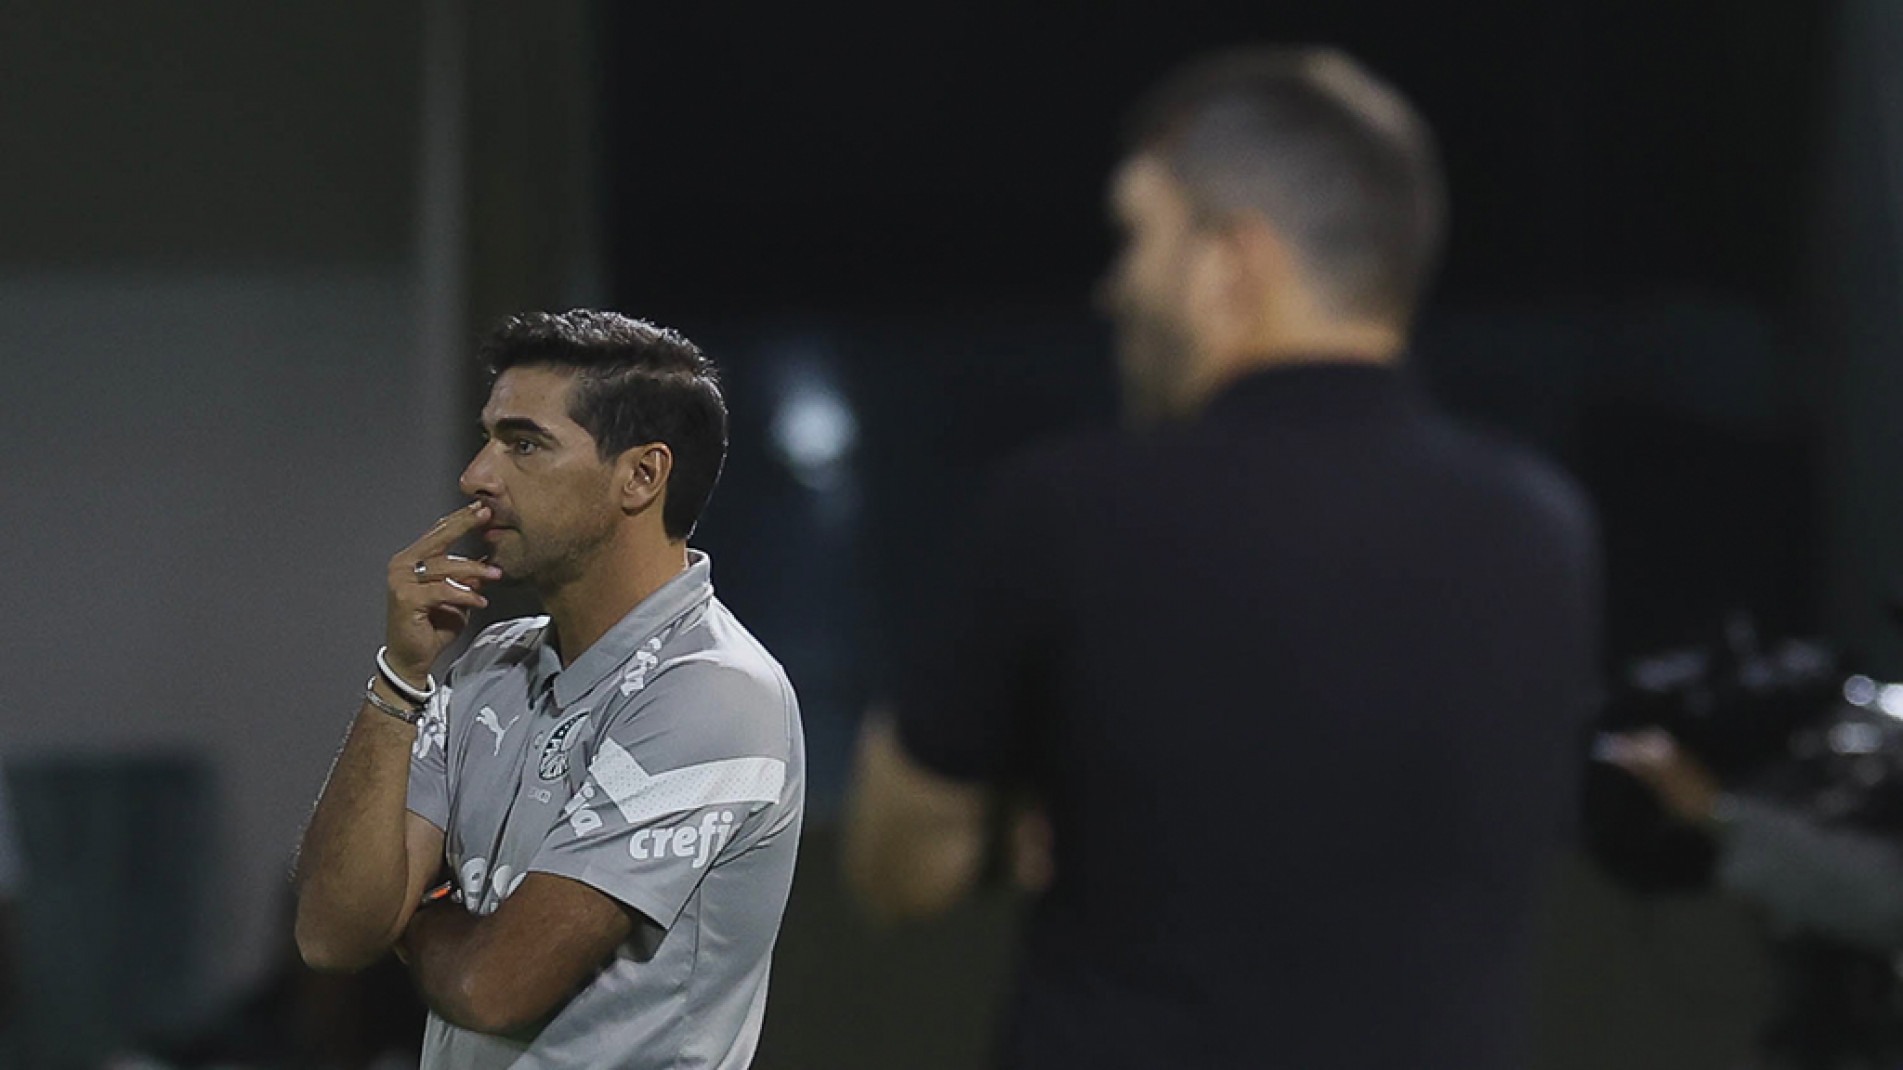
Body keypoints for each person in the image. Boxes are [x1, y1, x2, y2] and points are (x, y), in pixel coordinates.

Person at [843, 46, 1602, 1070]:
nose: (1115, 290)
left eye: (1138, 237)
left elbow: (898, 864)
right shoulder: (1543, 532)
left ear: (1231, 264)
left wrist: (1002, 817)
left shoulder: (1070, 510)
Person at [294, 310, 805, 1069]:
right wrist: (400, 676)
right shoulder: (490, 662)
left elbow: (489, 987)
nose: (477, 476)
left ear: (641, 475)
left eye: (523, 444)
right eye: (489, 436)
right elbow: (330, 933)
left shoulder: (714, 694)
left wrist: (418, 907)